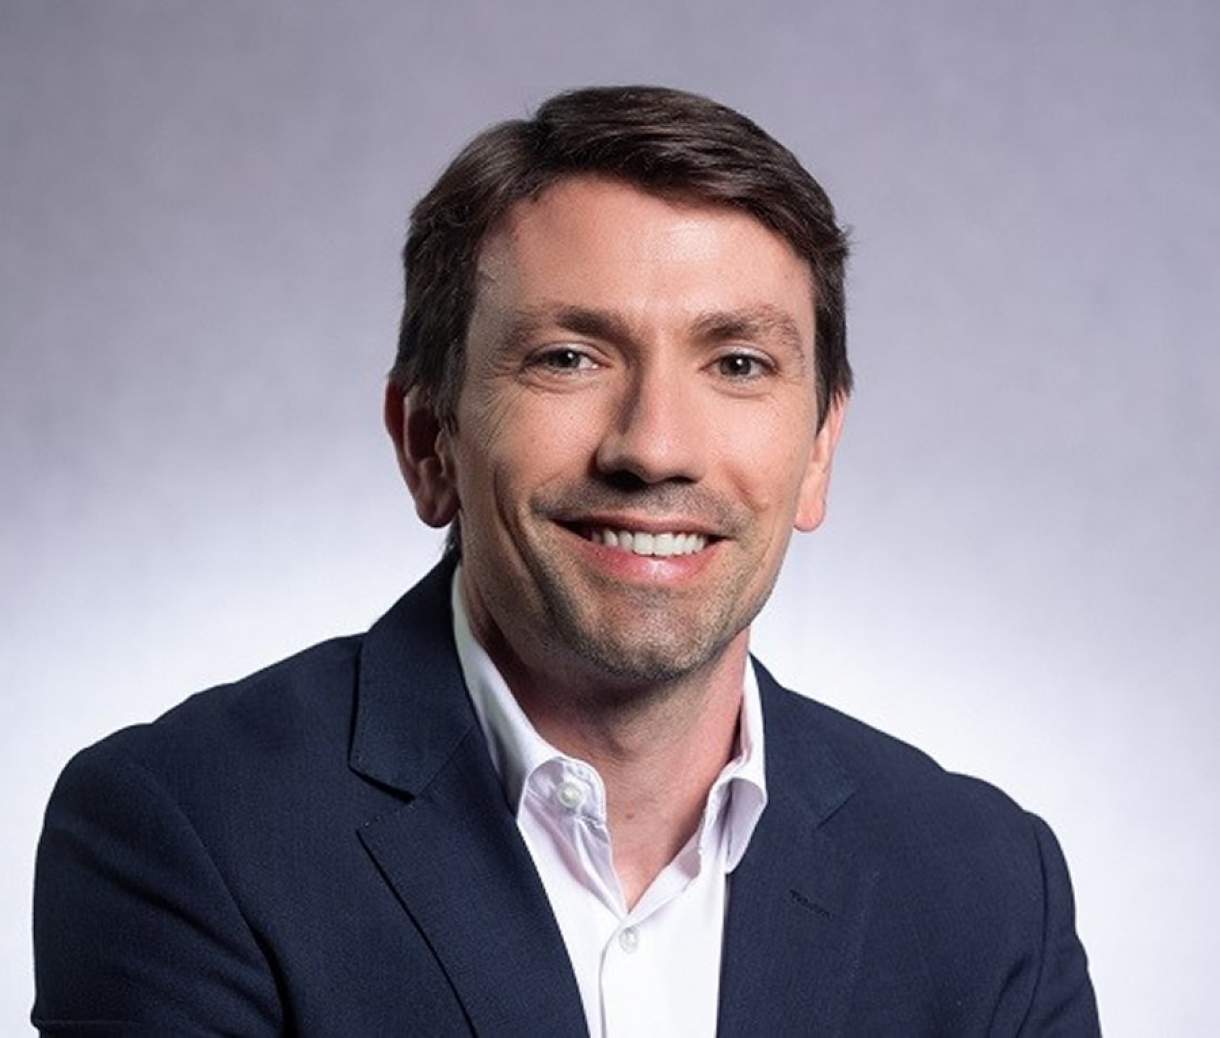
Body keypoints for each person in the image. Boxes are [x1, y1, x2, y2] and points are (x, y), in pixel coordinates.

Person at [32, 85, 1100, 1036]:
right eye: (569, 357)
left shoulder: (988, 887)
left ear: (818, 450)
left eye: (737, 363)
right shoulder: (187, 830)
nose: (655, 447)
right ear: (429, 442)